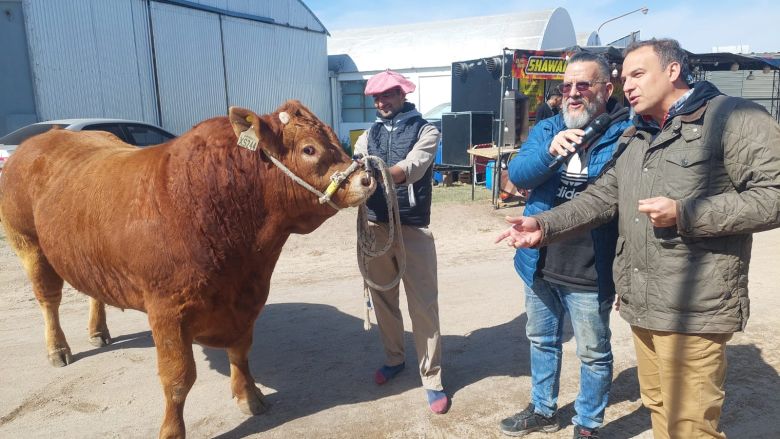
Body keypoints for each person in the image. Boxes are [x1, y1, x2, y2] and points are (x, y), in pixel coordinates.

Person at [496, 38, 780, 438]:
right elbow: (601, 196)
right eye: (625, 76)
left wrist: (686, 213)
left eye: (637, 74)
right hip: (643, 305)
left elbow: (774, 195)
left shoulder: (734, 118)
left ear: (673, 71)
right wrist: (545, 226)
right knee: (660, 409)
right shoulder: (639, 133)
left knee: (691, 424)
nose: (628, 84)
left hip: (694, 307)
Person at [498, 52, 631, 439]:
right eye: (566, 87)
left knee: (592, 352)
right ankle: (543, 409)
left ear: (607, 89)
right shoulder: (548, 128)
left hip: (592, 265)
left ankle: (587, 424)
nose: (573, 94)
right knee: (541, 339)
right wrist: (551, 149)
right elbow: (519, 173)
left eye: (583, 85)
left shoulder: (627, 132)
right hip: (539, 259)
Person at [353, 70, 448, 414]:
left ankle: (432, 377)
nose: (382, 103)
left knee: (423, 304)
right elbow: (357, 161)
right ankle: (394, 358)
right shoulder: (369, 134)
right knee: (382, 299)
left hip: (411, 227)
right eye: (376, 98)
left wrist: (375, 173)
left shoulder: (427, 129)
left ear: (402, 94)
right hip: (375, 227)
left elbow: (414, 167)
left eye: (388, 95)